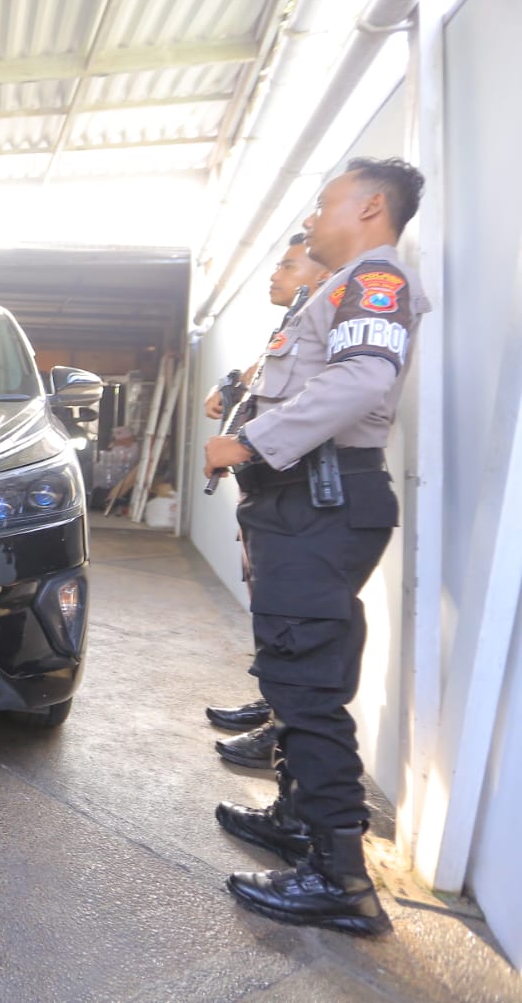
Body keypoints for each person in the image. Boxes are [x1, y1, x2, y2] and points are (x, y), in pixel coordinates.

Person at [203, 157, 430, 935]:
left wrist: (248, 444)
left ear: (370, 208)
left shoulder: (376, 282)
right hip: (307, 505)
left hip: (320, 504)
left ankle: (339, 879)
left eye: (325, 203)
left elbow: (363, 382)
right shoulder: (339, 287)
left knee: (303, 688)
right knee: (298, 672)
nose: (311, 219)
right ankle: (299, 819)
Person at [204, 234, 331, 771]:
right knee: (266, 606)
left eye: (287, 264)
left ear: (320, 275)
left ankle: (282, 727)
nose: (273, 274)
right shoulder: (290, 327)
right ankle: (271, 703)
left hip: (296, 492)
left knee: (289, 618)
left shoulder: (329, 318)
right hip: (264, 489)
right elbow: (266, 375)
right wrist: (232, 384)